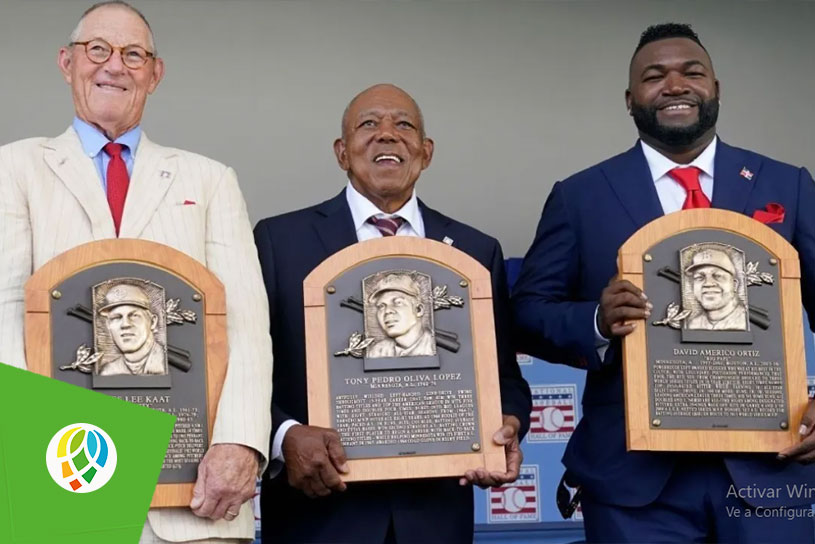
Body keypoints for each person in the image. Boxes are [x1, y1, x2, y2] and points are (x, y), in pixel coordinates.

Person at [511, 23, 815, 543]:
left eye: (691, 72)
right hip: (633, 480)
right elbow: (526, 314)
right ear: (630, 100)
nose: (674, 85)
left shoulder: (786, 184)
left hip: (770, 469)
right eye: (655, 77)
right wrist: (596, 321)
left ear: (716, 89)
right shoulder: (580, 196)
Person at [0, 2, 272, 542]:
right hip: (65, 488)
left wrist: (241, 442)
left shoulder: (211, 178)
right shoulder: (14, 168)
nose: (114, 66)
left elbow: (244, 324)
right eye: (97, 49)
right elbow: (6, 315)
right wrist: (42, 449)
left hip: (194, 501)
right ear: (66, 61)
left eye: (133, 54)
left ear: (155, 72)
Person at [254, 83, 531, 544]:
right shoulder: (279, 241)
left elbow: (505, 377)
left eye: (403, 124)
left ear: (426, 151)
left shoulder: (475, 251)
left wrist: (506, 423)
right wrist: (284, 435)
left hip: (436, 516)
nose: (387, 135)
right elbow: (245, 371)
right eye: (368, 124)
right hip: (318, 515)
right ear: (342, 153)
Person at [99, 283, 167, 375]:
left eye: (134, 316)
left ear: (152, 322)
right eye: (116, 317)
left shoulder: (164, 363)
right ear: (108, 325)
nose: (125, 324)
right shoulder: (107, 371)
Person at [366, 273, 435, 358]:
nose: (387, 311)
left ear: (418, 310)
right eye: (381, 306)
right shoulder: (377, 352)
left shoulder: (432, 346)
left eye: (398, 302)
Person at [684, 248, 747, 330]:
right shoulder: (693, 324)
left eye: (718, 276)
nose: (708, 283)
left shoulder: (743, 321)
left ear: (734, 285)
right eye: (699, 277)